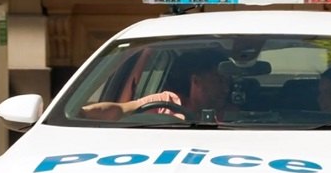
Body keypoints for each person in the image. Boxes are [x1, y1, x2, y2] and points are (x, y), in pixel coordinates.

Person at [80, 48, 233, 121]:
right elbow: (121, 109)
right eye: (219, 81)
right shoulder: (166, 102)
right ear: (196, 80)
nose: (226, 89)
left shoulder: (235, 115)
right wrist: (82, 113)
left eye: (227, 82)